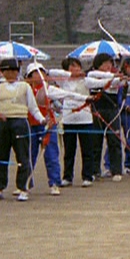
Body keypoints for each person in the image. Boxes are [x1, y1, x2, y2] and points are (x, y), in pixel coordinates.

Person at [0, 58, 46, 202]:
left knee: (23, 156)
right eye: (7, 71)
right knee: (0, 157)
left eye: (14, 71)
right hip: (2, 123)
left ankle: (23, 188)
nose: (11, 74)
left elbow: (33, 107)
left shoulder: (24, 86)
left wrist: (42, 119)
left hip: (20, 122)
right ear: (2, 72)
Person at [24, 62, 88, 196]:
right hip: (30, 125)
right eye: (36, 73)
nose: (40, 75)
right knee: (29, 155)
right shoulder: (25, 89)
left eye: (42, 72)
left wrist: (86, 98)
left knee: (51, 155)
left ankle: (54, 183)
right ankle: (25, 183)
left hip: (47, 125)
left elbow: (67, 94)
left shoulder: (48, 89)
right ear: (29, 76)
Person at [48, 57, 96, 187]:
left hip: (85, 119)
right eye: (73, 66)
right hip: (69, 119)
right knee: (69, 151)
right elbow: (51, 72)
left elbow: (101, 82)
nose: (77, 69)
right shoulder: (63, 82)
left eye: (78, 66)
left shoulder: (85, 81)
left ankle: (88, 176)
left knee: (87, 150)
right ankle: (67, 177)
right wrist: (70, 75)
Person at [85, 53, 129, 182]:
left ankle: (116, 170)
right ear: (98, 64)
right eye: (105, 63)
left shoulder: (115, 76)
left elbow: (120, 82)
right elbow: (94, 83)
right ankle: (94, 171)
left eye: (110, 63)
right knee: (95, 140)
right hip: (96, 109)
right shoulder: (91, 76)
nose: (109, 66)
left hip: (112, 110)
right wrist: (112, 78)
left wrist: (119, 78)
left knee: (114, 139)